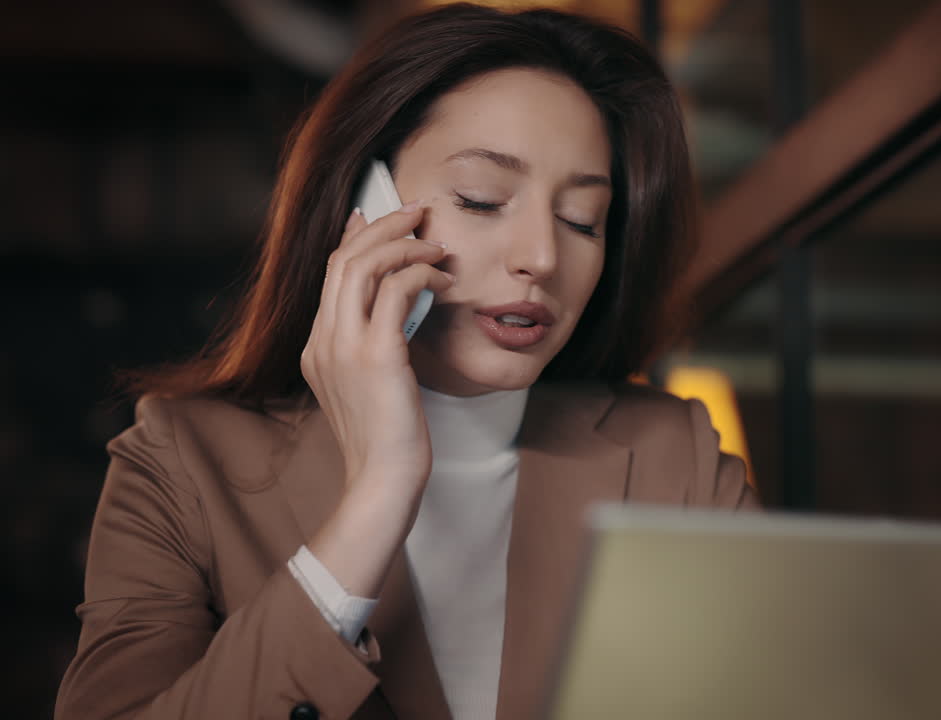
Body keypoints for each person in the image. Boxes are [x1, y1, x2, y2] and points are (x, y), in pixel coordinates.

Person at [53, 4, 759, 720]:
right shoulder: (179, 464)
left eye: (583, 220)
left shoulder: (679, 460)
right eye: (482, 200)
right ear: (365, 203)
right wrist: (378, 493)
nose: (543, 257)